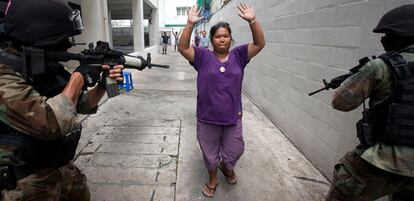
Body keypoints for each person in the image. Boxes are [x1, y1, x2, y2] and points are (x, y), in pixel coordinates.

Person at [0, 0, 124, 200]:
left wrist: (102, 85)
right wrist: (78, 78)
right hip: (23, 184)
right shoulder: (4, 76)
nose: (68, 45)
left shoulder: (43, 69)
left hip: (59, 170)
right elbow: (49, 122)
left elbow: (81, 104)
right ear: (38, 38)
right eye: (62, 40)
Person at [326, 4, 414, 201]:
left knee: (345, 183)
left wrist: (362, 76)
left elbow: (341, 103)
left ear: (404, 36)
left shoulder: (381, 67)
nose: (384, 39)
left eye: (388, 34)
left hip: (381, 162)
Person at [178, 3, 265, 198]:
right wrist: (189, 24)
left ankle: (227, 167)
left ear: (231, 39)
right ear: (212, 40)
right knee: (209, 154)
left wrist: (252, 20)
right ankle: (212, 178)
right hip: (207, 117)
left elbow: (259, 43)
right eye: (218, 36)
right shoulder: (202, 57)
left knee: (235, 149)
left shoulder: (240, 55)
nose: (222, 39)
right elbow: (183, 47)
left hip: (232, 117)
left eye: (225, 36)